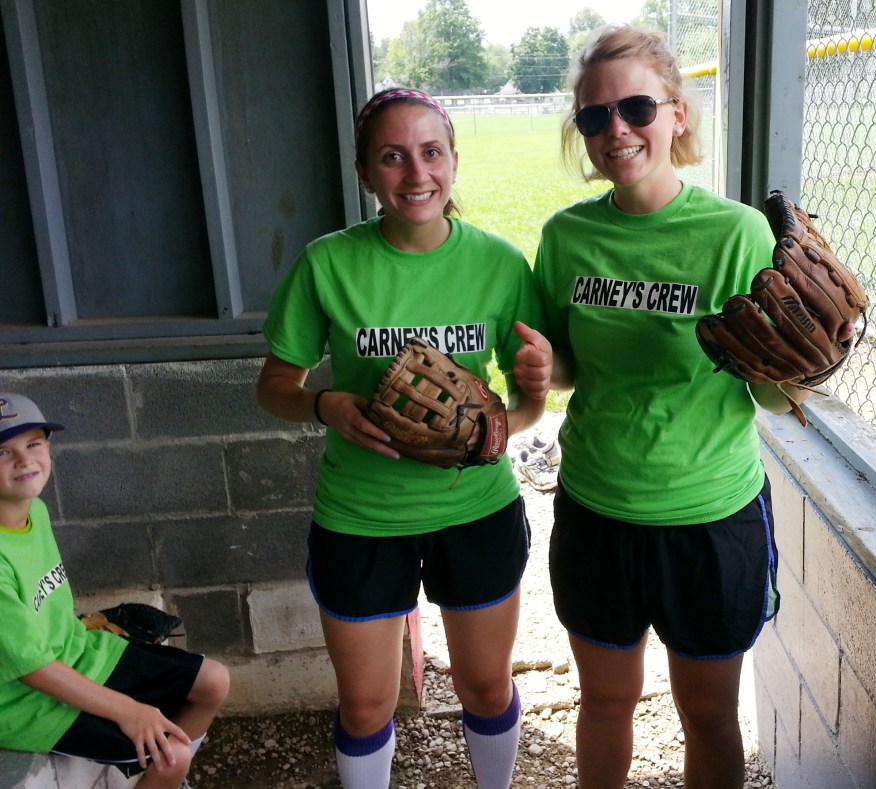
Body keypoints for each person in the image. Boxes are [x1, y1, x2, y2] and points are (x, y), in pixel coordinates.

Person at [511, 25, 858, 789]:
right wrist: (544, 367)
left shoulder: (735, 234)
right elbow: (570, 363)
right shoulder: (567, 237)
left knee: (707, 716)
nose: (617, 130)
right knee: (604, 702)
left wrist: (808, 367)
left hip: (708, 515)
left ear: (677, 114)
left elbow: (767, 387)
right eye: (595, 117)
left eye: (636, 107)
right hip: (599, 507)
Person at [256, 87, 547, 789]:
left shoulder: (501, 264)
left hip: (474, 508)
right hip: (361, 516)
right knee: (364, 701)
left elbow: (529, 407)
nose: (415, 174)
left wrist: (505, 420)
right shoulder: (329, 262)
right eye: (391, 157)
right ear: (365, 173)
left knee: (484, 685)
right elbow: (274, 386)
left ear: (453, 160)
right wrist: (325, 405)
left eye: (430, 152)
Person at [0, 392, 230, 789]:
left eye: (33, 444)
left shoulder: (33, 510)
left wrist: (86, 628)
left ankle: (160, 780)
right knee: (170, 754)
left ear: (49, 447)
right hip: (25, 701)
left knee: (213, 681)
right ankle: (163, 774)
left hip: (76, 654)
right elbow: (31, 668)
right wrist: (128, 710)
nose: (24, 461)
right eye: (3, 452)